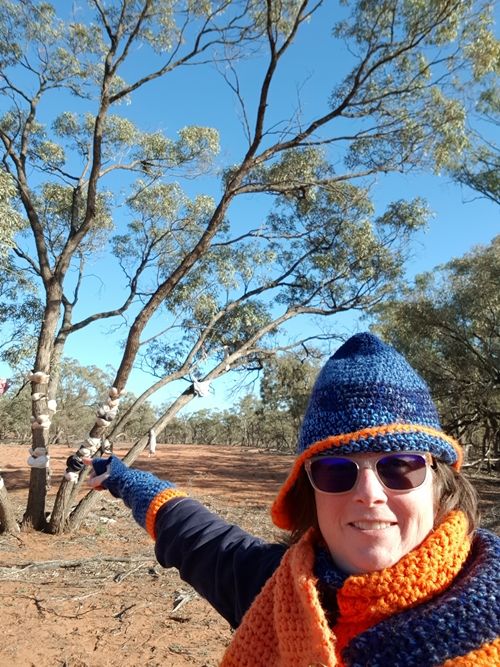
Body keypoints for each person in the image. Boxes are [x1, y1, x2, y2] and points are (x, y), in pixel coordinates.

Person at [88, 333, 500, 666]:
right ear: (309, 491)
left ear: (439, 483)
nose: (369, 494)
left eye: (400, 466)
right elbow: (188, 529)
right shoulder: (276, 591)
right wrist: (121, 477)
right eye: (336, 470)